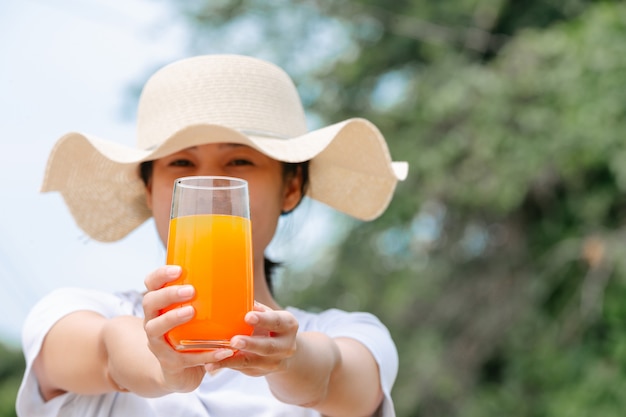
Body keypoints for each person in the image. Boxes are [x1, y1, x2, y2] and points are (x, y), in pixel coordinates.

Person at [16, 54, 408, 417]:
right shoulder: (72, 314)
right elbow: (109, 349)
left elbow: (330, 377)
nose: (208, 185)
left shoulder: (351, 335)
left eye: (240, 161)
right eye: (181, 163)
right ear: (149, 190)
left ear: (291, 186)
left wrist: (287, 358)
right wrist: (162, 365)